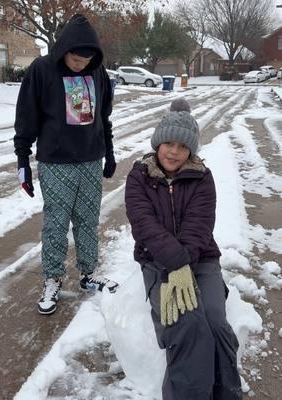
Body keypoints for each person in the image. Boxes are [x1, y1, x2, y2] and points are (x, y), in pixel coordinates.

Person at [125, 98, 242, 400]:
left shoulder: (203, 177)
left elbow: (199, 226)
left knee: (215, 322)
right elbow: (144, 225)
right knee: (188, 324)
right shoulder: (140, 176)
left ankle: (226, 393)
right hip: (157, 262)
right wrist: (175, 265)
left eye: (182, 146)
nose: (174, 151)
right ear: (158, 143)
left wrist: (185, 262)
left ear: (191, 150)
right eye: (168, 143)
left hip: (201, 257)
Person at [14, 14, 118, 315]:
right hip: (55, 163)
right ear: (64, 50)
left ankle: (88, 274)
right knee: (57, 223)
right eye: (75, 58)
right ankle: (52, 278)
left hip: (89, 160)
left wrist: (108, 153)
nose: (80, 64)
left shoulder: (98, 73)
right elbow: (26, 120)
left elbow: (103, 118)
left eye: (86, 59)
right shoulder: (42, 70)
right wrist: (23, 162)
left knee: (88, 219)